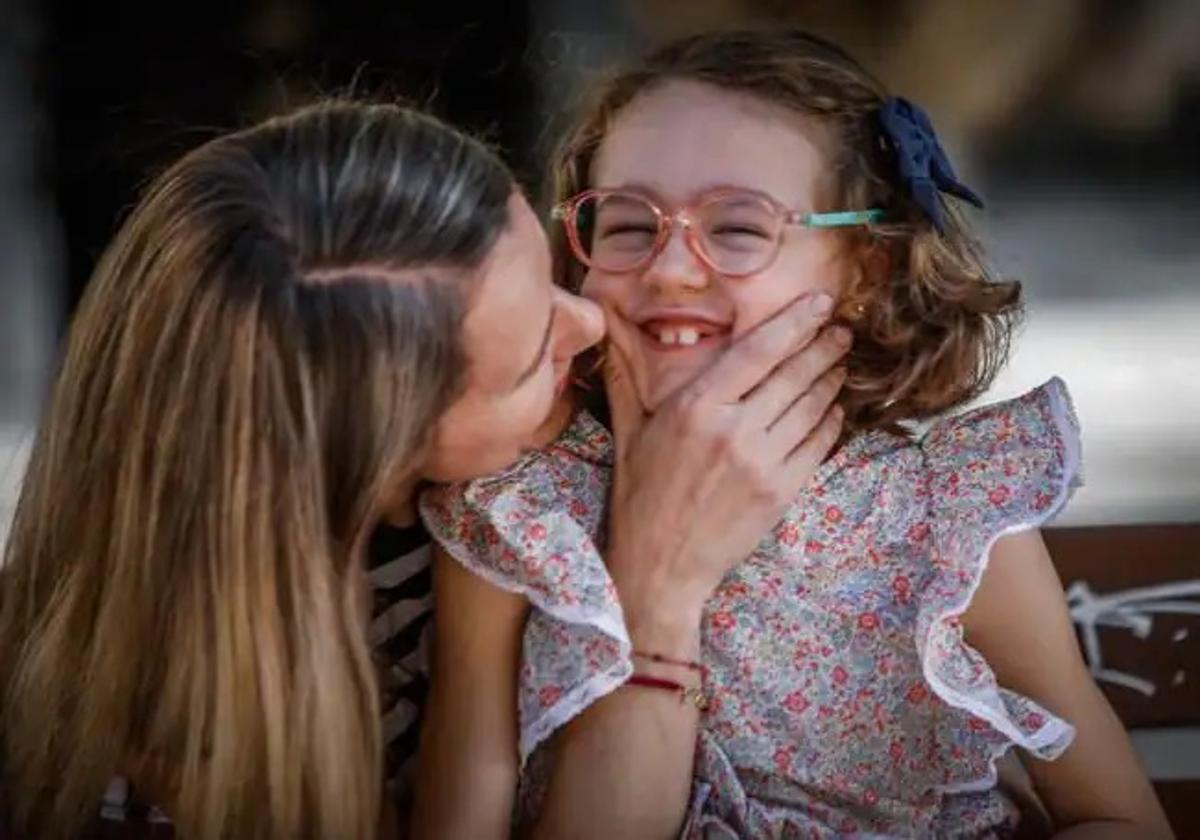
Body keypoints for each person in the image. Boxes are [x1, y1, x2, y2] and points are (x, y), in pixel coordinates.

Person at [0, 98, 845, 838]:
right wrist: (659, 599)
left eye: (544, 268)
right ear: (376, 459)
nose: (588, 322)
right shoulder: (134, 773)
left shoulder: (466, 518)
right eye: (525, 365)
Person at [415, 30, 1173, 839]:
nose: (671, 268)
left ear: (865, 270)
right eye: (628, 226)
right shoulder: (518, 514)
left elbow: (1115, 818)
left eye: (739, 228)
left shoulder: (946, 522)